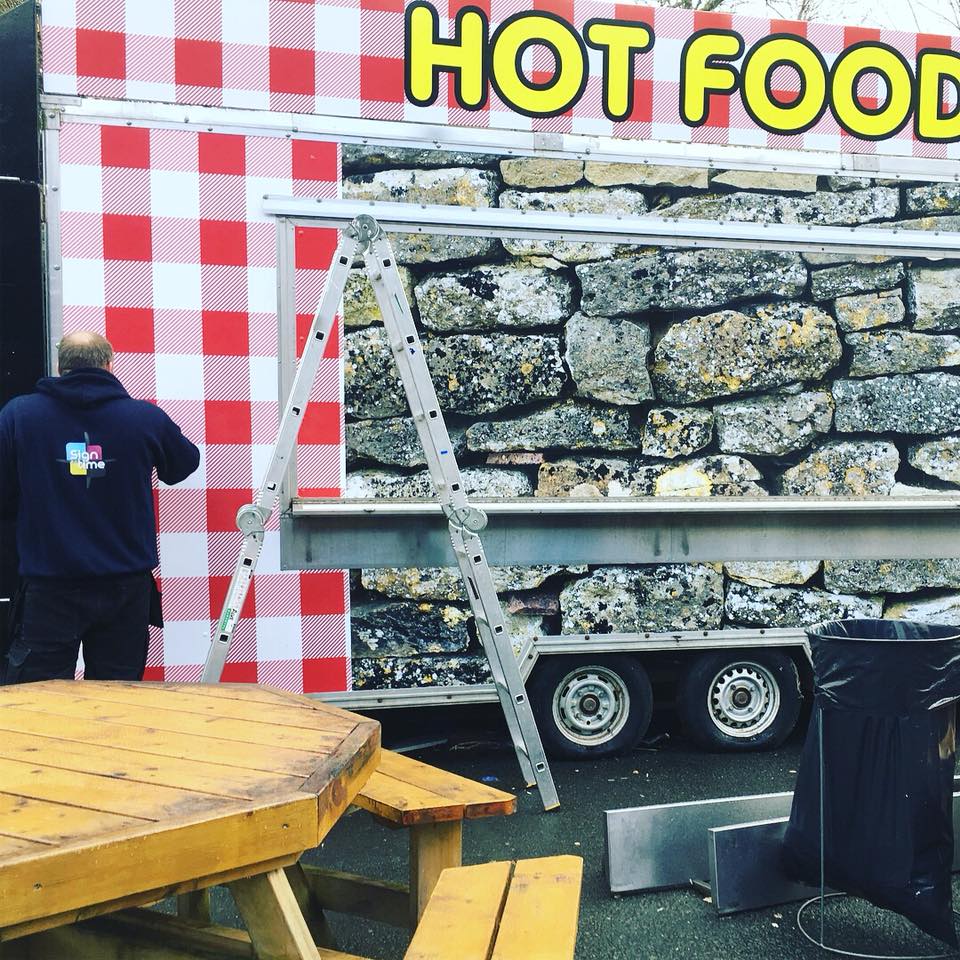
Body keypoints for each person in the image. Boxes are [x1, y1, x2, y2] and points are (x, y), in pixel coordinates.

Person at [0, 331, 200, 683]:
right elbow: (184, 464)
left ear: (60, 366)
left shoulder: (19, 415)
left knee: (41, 698)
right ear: (109, 365)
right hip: (124, 588)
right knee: (116, 696)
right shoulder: (144, 418)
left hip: (49, 585)